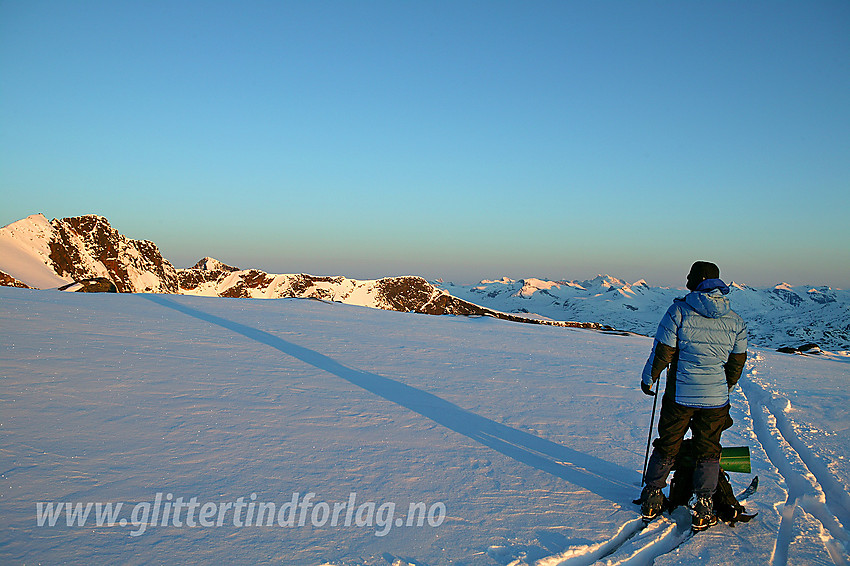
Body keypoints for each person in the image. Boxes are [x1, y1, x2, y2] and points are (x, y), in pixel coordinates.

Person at [638, 261, 748, 531]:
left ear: (697, 279)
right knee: (708, 448)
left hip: (680, 395)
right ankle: (704, 504)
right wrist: (725, 387)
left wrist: (648, 377)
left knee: (668, 443)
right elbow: (737, 362)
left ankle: (652, 497)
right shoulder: (735, 320)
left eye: (689, 275)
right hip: (715, 400)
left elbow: (663, 350)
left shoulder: (679, 310)